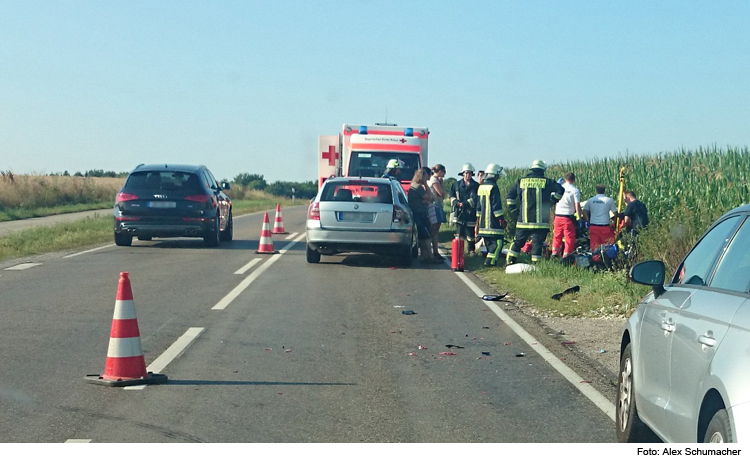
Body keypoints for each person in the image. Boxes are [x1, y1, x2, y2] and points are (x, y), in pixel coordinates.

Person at [505, 160, 564, 264]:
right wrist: (552, 201)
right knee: (537, 243)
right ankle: (535, 265)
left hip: (523, 221)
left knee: (518, 242)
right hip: (540, 222)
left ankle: (510, 261)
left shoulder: (521, 181)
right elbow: (560, 190)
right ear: (543, 170)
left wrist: (514, 210)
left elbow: (510, 196)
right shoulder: (547, 182)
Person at [475, 164, 507, 266]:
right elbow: (496, 205)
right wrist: (501, 219)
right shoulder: (494, 187)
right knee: (498, 243)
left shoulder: (481, 187)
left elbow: (478, 207)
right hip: (493, 223)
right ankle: (490, 262)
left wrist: (478, 221)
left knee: (490, 244)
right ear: (495, 175)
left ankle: (489, 261)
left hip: (483, 225)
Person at [408, 168, 441, 263]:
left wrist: (426, 201)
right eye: (426, 175)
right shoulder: (418, 187)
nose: (428, 177)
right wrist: (426, 184)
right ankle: (430, 257)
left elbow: (428, 199)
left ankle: (424, 256)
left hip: (417, 212)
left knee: (422, 236)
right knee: (426, 235)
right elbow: (429, 196)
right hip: (420, 213)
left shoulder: (413, 185)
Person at [551, 172, 585, 259]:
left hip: (558, 217)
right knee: (569, 238)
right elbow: (577, 206)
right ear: (573, 180)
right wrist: (580, 218)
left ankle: (554, 253)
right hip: (568, 218)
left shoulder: (559, 188)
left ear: (565, 179)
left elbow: (552, 198)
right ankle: (567, 256)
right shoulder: (575, 190)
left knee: (557, 236)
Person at [449, 163, 480, 255]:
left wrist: (465, 203)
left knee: (470, 234)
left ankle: (471, 251)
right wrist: (456, 203)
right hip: (459, 213)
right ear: (463, 173)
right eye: (466, 173)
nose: (468, 175)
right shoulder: (456, 185)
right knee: (459, 234)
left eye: (470, 173)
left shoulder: (476, 185)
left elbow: (476, 198)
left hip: (470, 213)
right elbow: (451, 195)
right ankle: (459, 252)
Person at [583, 184, 618, 250]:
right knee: (609, 247)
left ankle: (595, 259)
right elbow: (615, 213)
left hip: (593, 227)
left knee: (595, 247)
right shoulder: (609, 200)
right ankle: (607, 259)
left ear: (596, 191)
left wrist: (587, 221)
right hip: (605, 227)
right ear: (604, 191)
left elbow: (584, 211)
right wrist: (614, 222)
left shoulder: (591, 200)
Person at [428, 164, 447, 259]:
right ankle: (434, 251)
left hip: (436, 205)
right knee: (434, 230)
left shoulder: (433, 180)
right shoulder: (435, 180)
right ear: (440, 171)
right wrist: (442, 184)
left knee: (434, 230)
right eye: (444, 172)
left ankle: (434, 250)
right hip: (435, 206)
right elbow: (442, 193)